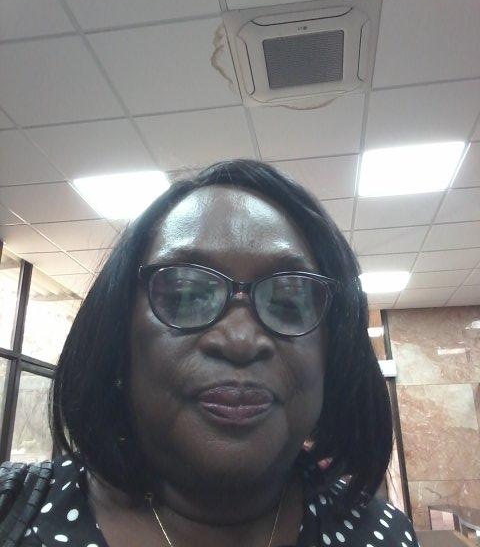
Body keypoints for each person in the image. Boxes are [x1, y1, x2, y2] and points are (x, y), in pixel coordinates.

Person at [2, 159, 420, 546]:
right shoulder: (12, 511)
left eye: (288, 301)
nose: (239, 339)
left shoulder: (383, 535)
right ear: (118, 336)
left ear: (333, 355)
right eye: (185, 295)